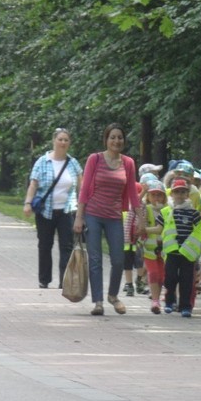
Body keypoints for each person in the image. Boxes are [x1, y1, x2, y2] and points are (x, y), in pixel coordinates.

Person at [73, 123, 144, 316]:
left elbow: (132, 193)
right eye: (112, 137)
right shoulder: (94, 159)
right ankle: (98, 302)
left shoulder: (128, 163)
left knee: (119, 260)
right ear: (106, 139)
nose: (116, 141)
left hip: (114, 216)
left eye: (119, 137)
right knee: (95, 259)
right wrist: (79, 217)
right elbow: (85, 189)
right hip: (93, 214)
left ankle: (113, 295)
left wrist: (141, 219)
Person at [24, 128, 83, 289]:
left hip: (67, 210)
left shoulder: (73, 163)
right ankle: (44, 279)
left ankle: (64, 280)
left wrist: (82, 209)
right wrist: (28, 203)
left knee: (67, 246)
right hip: (45, 211)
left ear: (69, 143)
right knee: (44, 244)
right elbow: (33, 184)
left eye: (66, 140)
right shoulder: (42, 162)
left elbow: (81, 187)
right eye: (60, 139)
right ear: (54, 141)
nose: (63, 143)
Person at [146, 179, 201, 317]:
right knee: (170, 278)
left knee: (186, 280)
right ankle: (169, 302)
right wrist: (144, 230)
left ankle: (185, 306)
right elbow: (159, 228)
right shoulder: (166, 211)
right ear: (172, 194)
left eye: (183, 192)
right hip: (171, 252)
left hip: (187, 253)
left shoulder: (193, 213)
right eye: (176, 192)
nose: (179, 195)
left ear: (187, 195)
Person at [142, 180, 168, 313]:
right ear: (148, 197)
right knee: (153, 273)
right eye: (153, 195)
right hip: (150, 248)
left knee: (163, 275)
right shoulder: (146, 209)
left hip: (165, 249)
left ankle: (163, 296)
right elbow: (136, 207)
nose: (156, 198)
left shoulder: (168, 210)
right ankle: (155, 301)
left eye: (159, 195)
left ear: (164, 197)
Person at [122, 182, 149, 297]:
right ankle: (129, 284)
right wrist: (143, 191)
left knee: (139, 263)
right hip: (127, 241)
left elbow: (138, 204)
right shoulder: (127, 204)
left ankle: (139, 281)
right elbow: (134, 203)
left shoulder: (143, 206)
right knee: (127, 264)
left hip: (138, 240)